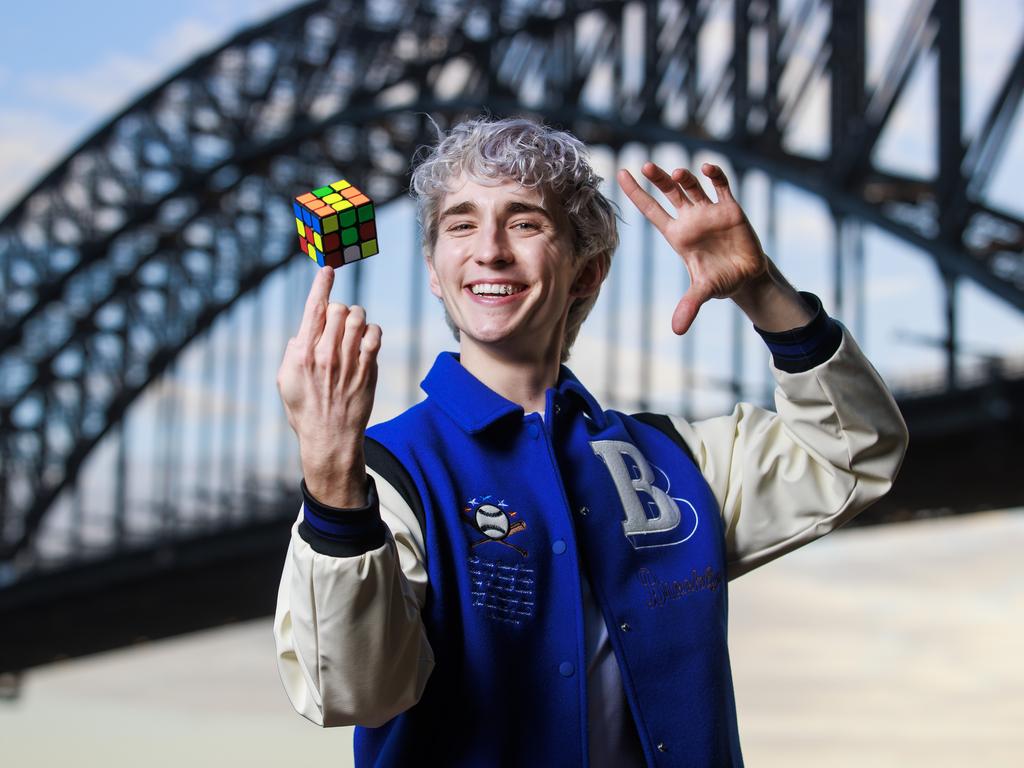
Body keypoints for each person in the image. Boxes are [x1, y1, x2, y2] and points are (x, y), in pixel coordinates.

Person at [273, 117, 908, 767]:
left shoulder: (673, 464)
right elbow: (349, 691)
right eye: (461, 224)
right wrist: (328, 464)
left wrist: (760, 289)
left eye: (524, 222)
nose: (489, 249)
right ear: (435, 271)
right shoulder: (380, 475)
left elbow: (854, 452)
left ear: (586, 273)